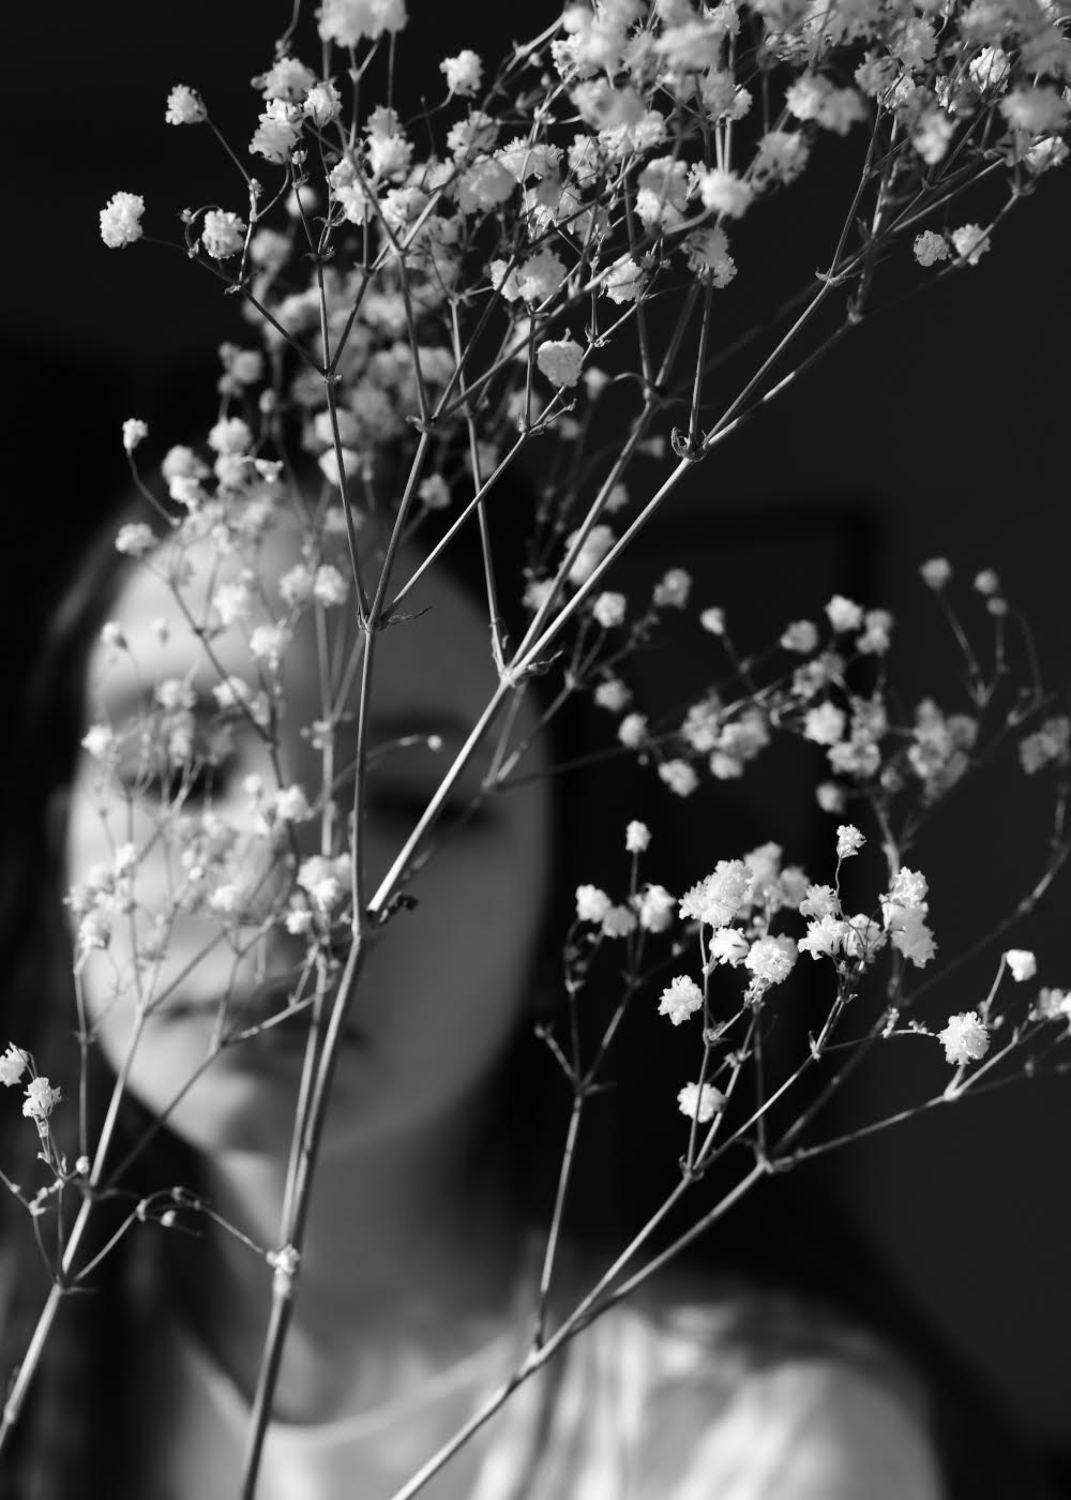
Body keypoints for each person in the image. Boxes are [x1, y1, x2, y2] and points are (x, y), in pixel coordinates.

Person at [0, 483, 1040, 1500]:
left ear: (568, 901)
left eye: (413, 802)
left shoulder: (755, 1445)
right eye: (171, 769)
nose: (282, 881)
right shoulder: (36, 1352)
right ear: (59, 848)